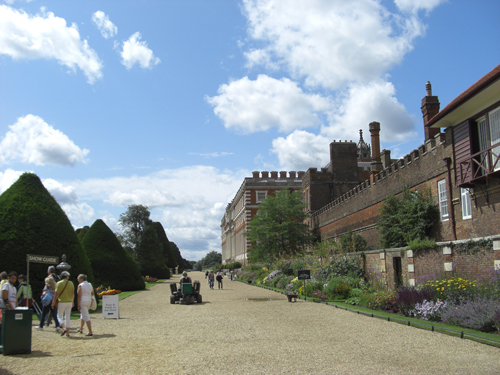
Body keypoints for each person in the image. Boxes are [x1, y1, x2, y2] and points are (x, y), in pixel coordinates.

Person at [52, 271, 74, 337]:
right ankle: (68, 332)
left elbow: (56, 294)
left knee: (59, 315)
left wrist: (53, 302)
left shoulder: (58, 283)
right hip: (69, 301)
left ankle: (63, 328)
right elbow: (73, 293)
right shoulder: (71, 283)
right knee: (67, 317)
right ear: (67, 277)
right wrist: (72, 301)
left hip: (61, 302)